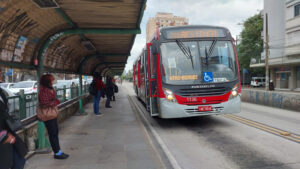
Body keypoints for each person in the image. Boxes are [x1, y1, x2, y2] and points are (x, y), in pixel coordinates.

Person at [38, 74, 69, 160]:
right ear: (48, 81)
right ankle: (57, 152)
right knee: (53, 133)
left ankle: (58, 151)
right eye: (52, 80)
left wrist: (54, 101)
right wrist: (55, 102)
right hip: (48, 115)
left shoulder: (49, 89)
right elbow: (44, 103)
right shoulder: (43, 90)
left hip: (52, 114)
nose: (53, 81)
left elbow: (53, 99)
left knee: (55, 132)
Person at [0, 88, 27, 169]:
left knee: (19, 161)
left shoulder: (1, 92)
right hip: (3, 137)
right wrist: (3, 135)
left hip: (8, 133)